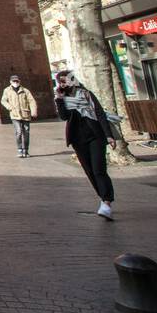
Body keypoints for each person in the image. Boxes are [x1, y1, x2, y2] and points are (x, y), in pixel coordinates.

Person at [54, 70, 116, 220]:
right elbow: (64, 117)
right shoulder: (63, 97)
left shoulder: (85, 94)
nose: (62, 84)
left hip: (95, 136)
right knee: (89, 171)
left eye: (64, 81)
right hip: (77, 139)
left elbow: (100, 113)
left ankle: (107, 202)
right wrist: (60, 100)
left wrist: (109, 135)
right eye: (60, 82)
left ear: (72, 80)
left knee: (98, 169)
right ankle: (102, 198)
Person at [0, 74, 38, 158]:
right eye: (14, 81)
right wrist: (9, 107)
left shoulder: (25, 90)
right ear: (10, 82)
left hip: (25, 114)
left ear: (19, 81)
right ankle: (20, 150)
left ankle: (26, 150)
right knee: (19, 132)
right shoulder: (7, 90)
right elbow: (3, 101)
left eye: (17, 81)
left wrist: (33, 111)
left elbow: (31, 101)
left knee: (26, 133)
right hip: (14, 114)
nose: (15, 82)